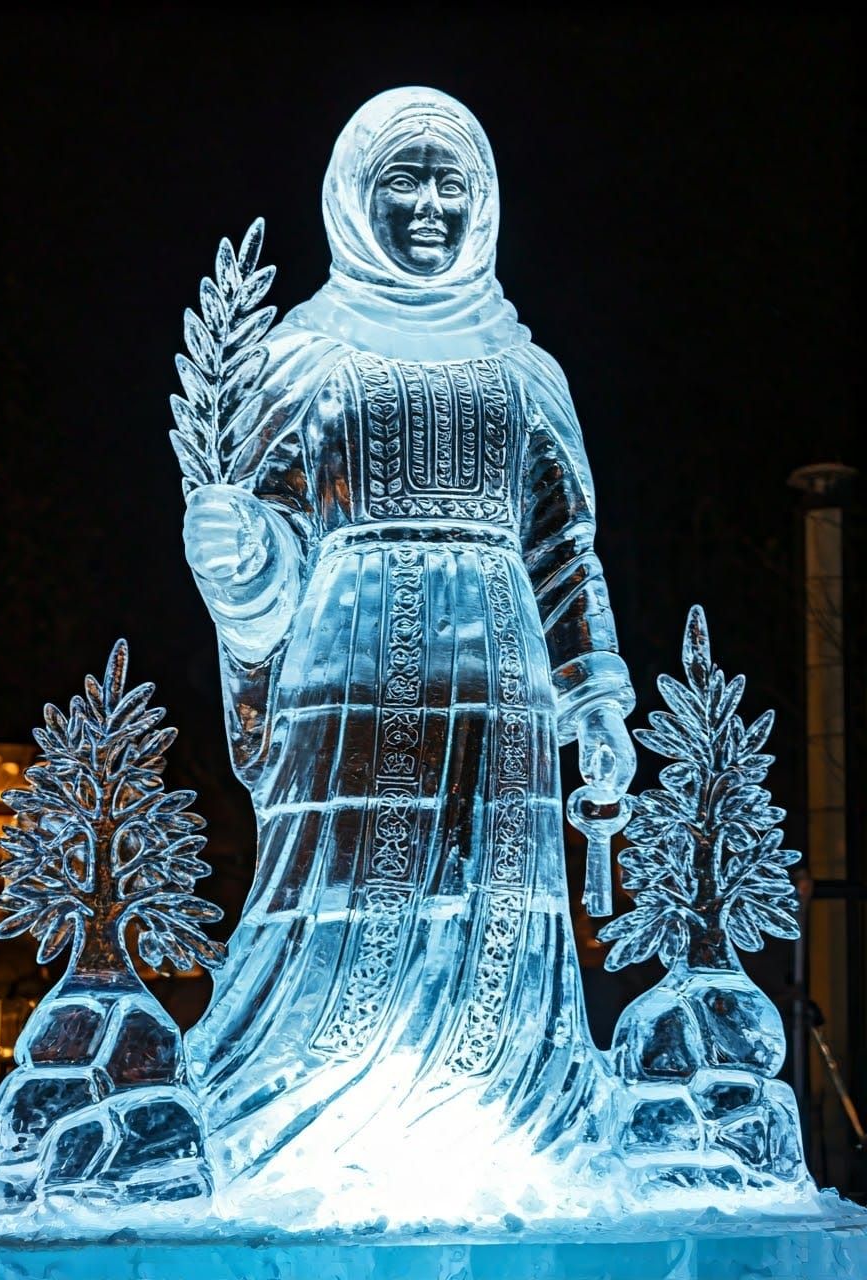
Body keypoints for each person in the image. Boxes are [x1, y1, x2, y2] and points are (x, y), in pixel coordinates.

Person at [182, 87, 636, 1219]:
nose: (429, 204)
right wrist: (241, 562)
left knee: (494, 899)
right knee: (343, 892)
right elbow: (276, 533)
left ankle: (506, 1130)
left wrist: (594, 705)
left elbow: (564, 550)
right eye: (404, 178)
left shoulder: (525, 371)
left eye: (452, 182)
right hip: (348, 669)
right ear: (353, 193)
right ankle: (307, 1125)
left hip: (499, 682)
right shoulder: (300, 354)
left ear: (483, 202)